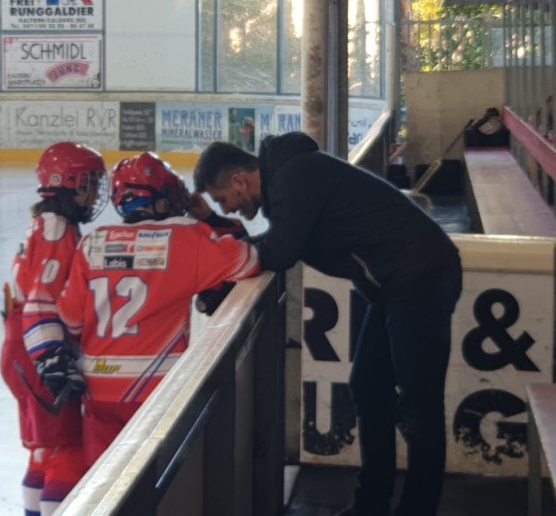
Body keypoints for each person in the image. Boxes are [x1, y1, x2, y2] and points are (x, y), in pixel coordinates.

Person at [194, 133, 462, 516]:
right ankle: (371, 504)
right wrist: (222, 258)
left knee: (420, 403)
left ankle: (417, 509)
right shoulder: (290, 179)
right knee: (368, 387)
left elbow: (281, 250)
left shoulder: (294, 177)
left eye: (223, 200)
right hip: (398, 285)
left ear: (238, 181)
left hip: (422, 278)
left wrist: (225, 266)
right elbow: (272, 242)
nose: (230, 209)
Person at [52, 152, 260, 465]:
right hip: (158, 389)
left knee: (104, 479)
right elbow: (249, 259)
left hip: (99, 388)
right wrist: (210, 221)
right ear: (160, 200)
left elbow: (71, 319)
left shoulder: (92, 242)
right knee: (160, 480)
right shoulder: (185, 238)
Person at [0, 142, 107, 516]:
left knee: (43, 452)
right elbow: (40, 300)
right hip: (40, 352)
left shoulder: (44, 225)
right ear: (70, 183)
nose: (95, 193)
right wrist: (51, 358)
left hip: (18, 350)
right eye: (90, 183)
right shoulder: (58, 231)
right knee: (67, 451)